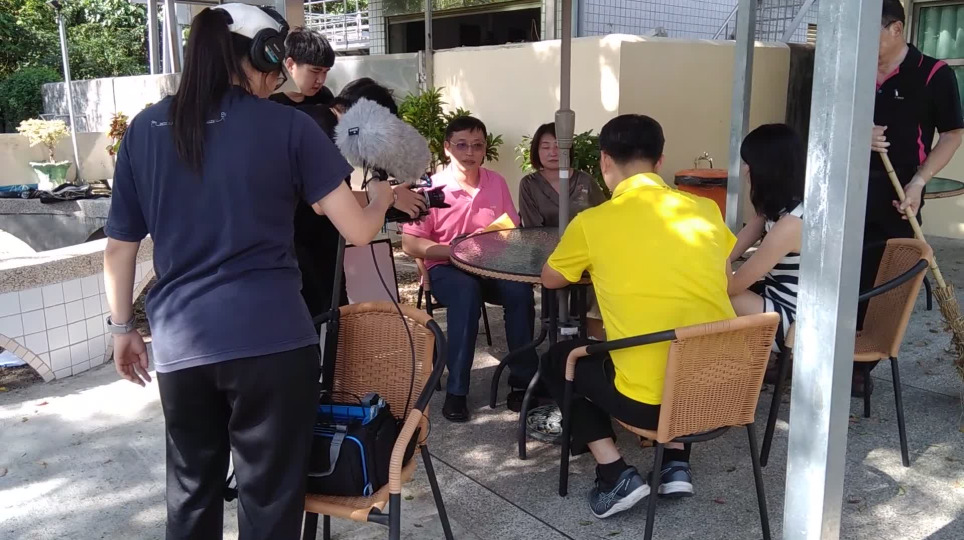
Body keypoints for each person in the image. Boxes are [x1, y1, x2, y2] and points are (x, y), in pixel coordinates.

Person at [102, 5, 395, 538]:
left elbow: (120, 248)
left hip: (182, 347)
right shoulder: (288, 126)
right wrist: (381, 197)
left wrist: (123, 328)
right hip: (273, 342)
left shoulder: (144, 129)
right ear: (261, 54)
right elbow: (358, 230)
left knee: (191, 494)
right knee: (270, 502)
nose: (278, 75)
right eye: (276, 62)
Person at [540, 114, 736, 519]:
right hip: (721, 392)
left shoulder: (592, 222)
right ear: (660, 161)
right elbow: (725, 280)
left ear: (604, 160)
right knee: (680, 326)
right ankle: (675, 464)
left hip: (649, 406)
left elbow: (551, 278)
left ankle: (614, 473)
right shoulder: (706, 211)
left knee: (560, 359)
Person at [401, 116, 538, 422]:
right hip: (445, 267)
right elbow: (410, 244)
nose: (469, 152)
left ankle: (523, 381)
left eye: (477, 145)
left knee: (520, 291)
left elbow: (511, 230)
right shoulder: (429, 188)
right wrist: (455, 251)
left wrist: (494, 243)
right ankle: (457, 390)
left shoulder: (496, 182)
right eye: (461, 145)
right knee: (466, 293)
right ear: (447, 148)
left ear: (485, 149)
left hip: (490, 264)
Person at [861, 0, 963, 394]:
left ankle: (863, 363)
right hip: (849, 191)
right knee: (846, 276)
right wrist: (856, 134)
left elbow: (952, 134)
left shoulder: (934, 74)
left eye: (869, 33)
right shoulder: (853, 71)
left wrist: (920, 181)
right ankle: (834, 353)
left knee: (887, 282)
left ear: (896, 29)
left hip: (900, 194)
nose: (861, 43)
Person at [287, 78, 426, 320]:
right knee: (322, 323)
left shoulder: (316, 118)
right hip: (302, 252)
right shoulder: (323, 130)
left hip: (308, 247)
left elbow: (334, 196)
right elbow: (324, 205)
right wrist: (387, 198)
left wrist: (387, 195)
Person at [727, 124, 805, 355]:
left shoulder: (791, 223)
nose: (744, 170)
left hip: (795, 324)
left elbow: (733, 286)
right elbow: (729, 252)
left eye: (748, 163)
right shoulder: (776, 210)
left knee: (713, 296)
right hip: (773, 301)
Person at [518, 122, 606, 228]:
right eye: (545, 147)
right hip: (542, 240)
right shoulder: (529, 184)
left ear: (569, 149)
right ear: (536, 151)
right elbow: (532, 230)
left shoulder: (585, 181)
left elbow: (604, 216)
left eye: (558, 146)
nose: (553, 152)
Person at [269, 26, 336, 108]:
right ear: (290, 65)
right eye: (315, 71)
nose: (321, 80)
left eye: (325, 72)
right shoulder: (269, 100)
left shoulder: (325, 97)